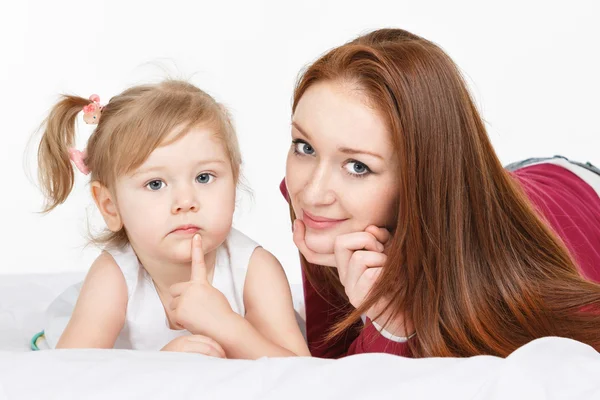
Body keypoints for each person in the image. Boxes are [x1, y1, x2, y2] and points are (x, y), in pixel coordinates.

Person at [280, 28, 600, 358]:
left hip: (578, 189)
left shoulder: (514, 281)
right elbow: (326, 362)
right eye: (304, 147)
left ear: (417, 181)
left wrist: (391, 320)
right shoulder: (320, 205)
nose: (313, 193)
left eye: (357, 167)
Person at [32, 80, 309, 359]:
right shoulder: (114, 277)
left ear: (234, 182)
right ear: (110, 206)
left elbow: (301, 374)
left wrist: (227, 325)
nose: (186, 202)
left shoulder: (255, 269)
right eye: (155, 184)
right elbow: (71, 372)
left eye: (204, 177)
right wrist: (161, 365)